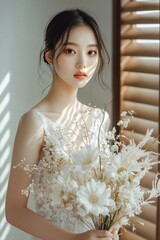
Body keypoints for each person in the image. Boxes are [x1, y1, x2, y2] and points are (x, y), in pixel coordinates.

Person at [5, 9, 118, 240]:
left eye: (91, 52)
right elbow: (14, 211)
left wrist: (113, 224)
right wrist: (73, 239)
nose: (83, 63)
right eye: (70, 51)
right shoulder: (35, 122)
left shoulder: (100, 119)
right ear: (49, 55)